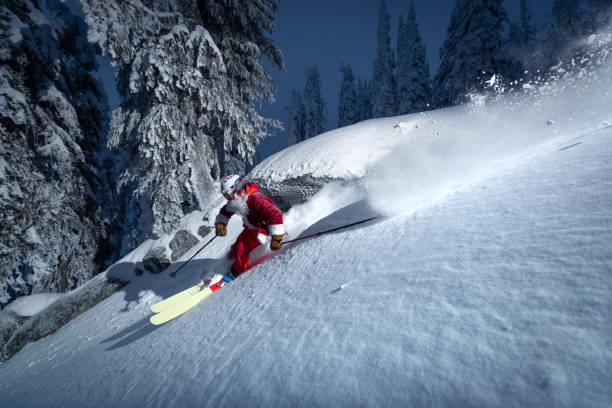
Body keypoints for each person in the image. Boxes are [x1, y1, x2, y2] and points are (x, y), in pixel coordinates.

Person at [214, 174, 285, 278]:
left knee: (242, 248)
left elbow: (275, 214)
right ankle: (229, 261)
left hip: (263, 230)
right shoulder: (237, 200)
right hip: (251, 228)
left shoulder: (256, 199)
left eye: (229, 196)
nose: (228, 199)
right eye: (226, 197)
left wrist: (277, 236)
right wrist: (221, 224)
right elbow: (226, 210)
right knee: (236, 246)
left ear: (237, 190)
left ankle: (237, 272)